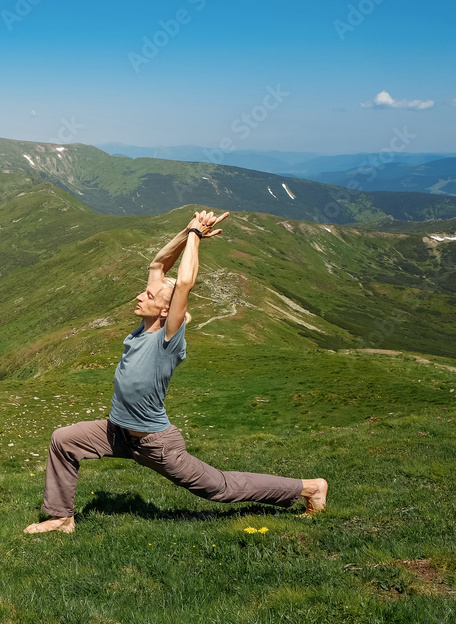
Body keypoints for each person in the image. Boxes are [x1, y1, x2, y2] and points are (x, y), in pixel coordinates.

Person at [25, 210, 327, 534]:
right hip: (118, 433)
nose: (141, 295)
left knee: (219, 487)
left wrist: (196, 237)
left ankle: (309, 488)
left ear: (167, 310)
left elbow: (184, 282)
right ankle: (62, 517)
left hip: (156, 443)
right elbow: (158, 265)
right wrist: (186, 231)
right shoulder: (143, 328)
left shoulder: (167, 339)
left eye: (150, 296)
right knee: (63, 440)